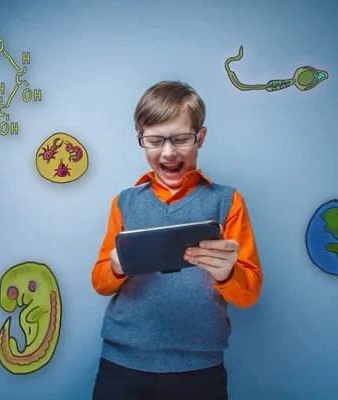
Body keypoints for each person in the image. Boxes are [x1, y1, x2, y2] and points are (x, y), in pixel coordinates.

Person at [91, 81, 263, 400]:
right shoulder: (124, 203)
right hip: (122, 364)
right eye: (155, 140)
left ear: (201, 137)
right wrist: (115, 266)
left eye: (181, 139)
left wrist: (227, 273)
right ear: (141, 140)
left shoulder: (228, 202)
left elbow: (249, 292)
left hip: (199, 370)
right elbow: (100, 283)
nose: (168, 152)